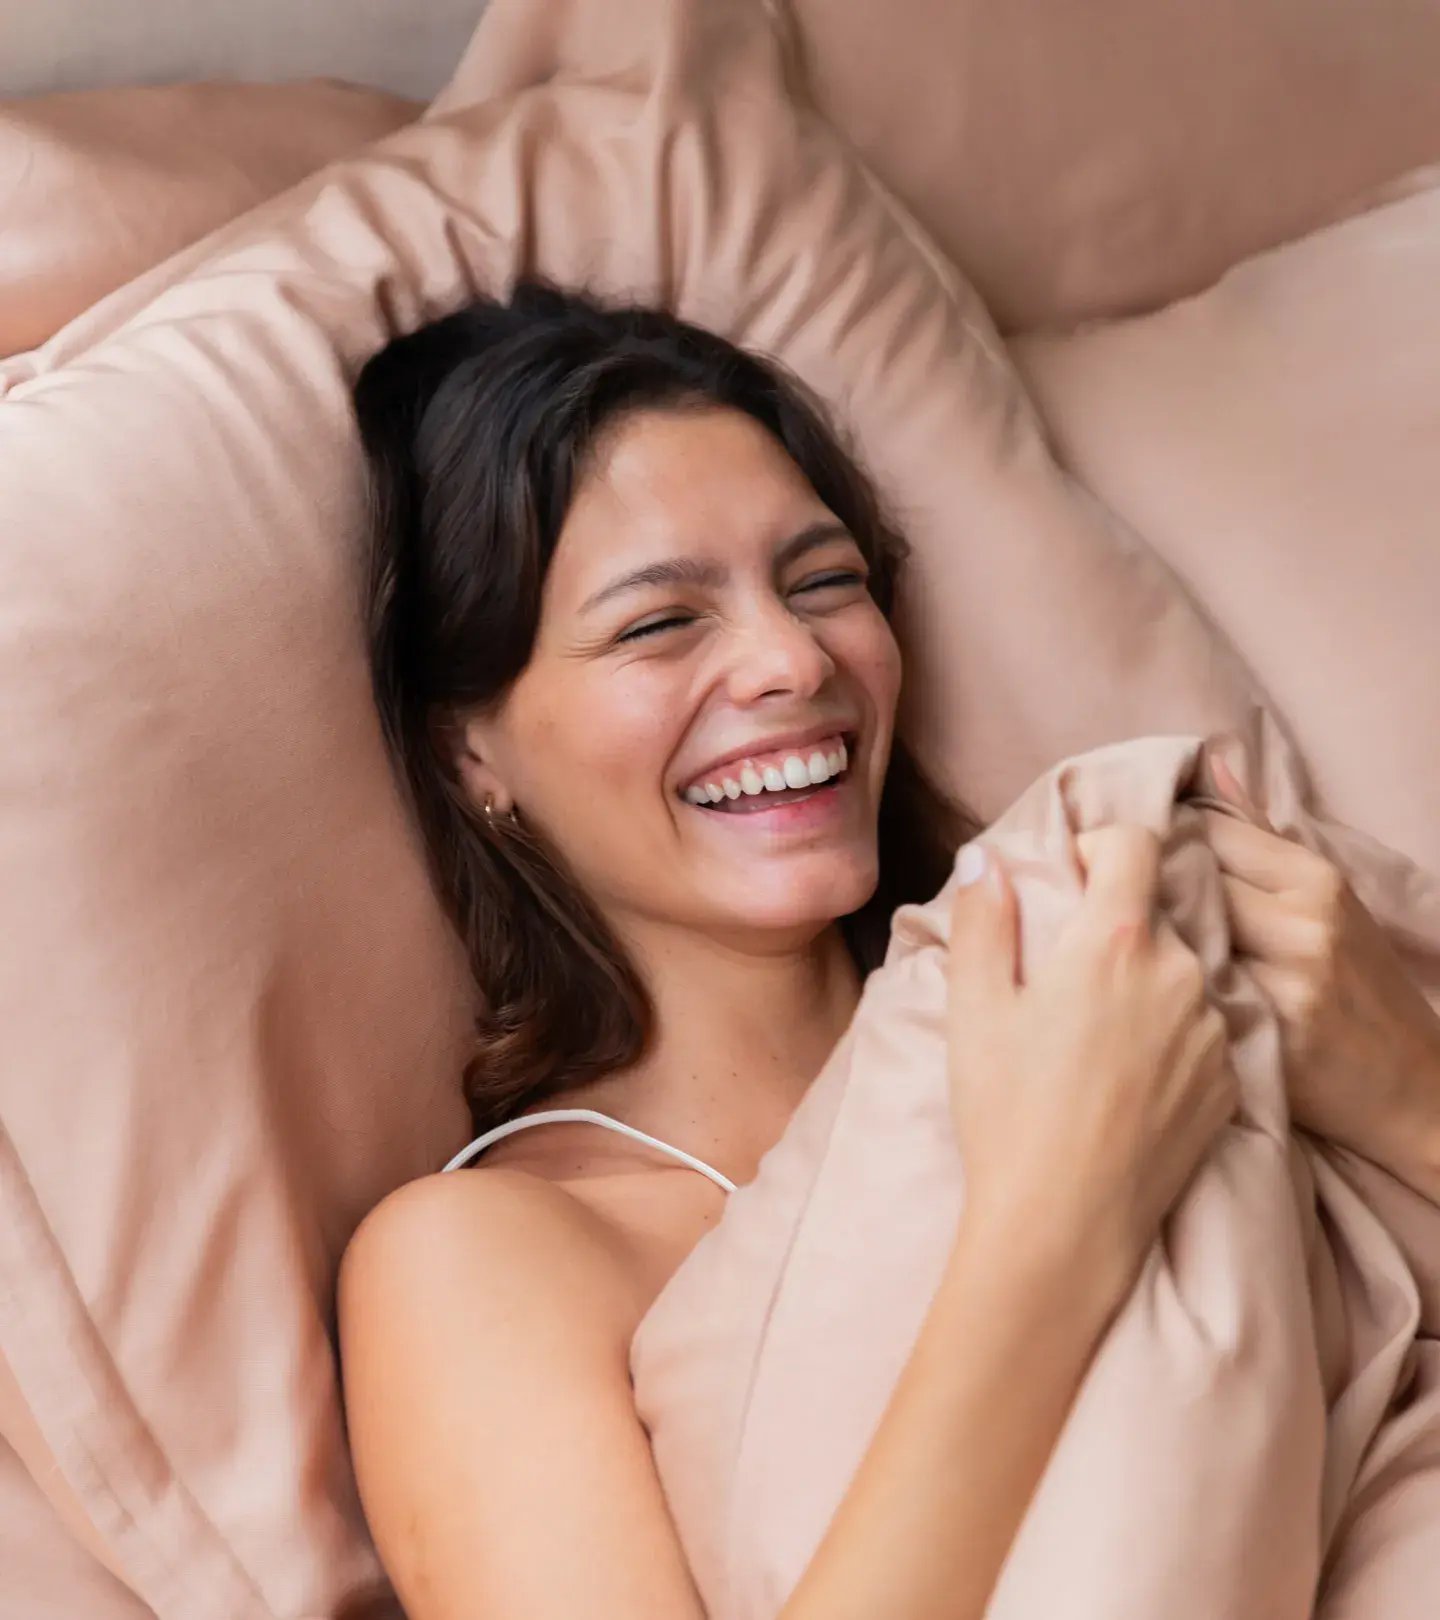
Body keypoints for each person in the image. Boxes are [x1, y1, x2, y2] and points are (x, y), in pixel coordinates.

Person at [338, 282, 1440, 1620]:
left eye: (825, 584)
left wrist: (1408, 1093)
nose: (794, 660)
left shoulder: (1133, 946)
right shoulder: (480, 1256)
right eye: (657, 622)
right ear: (473, 753)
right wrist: (1056, 1221)